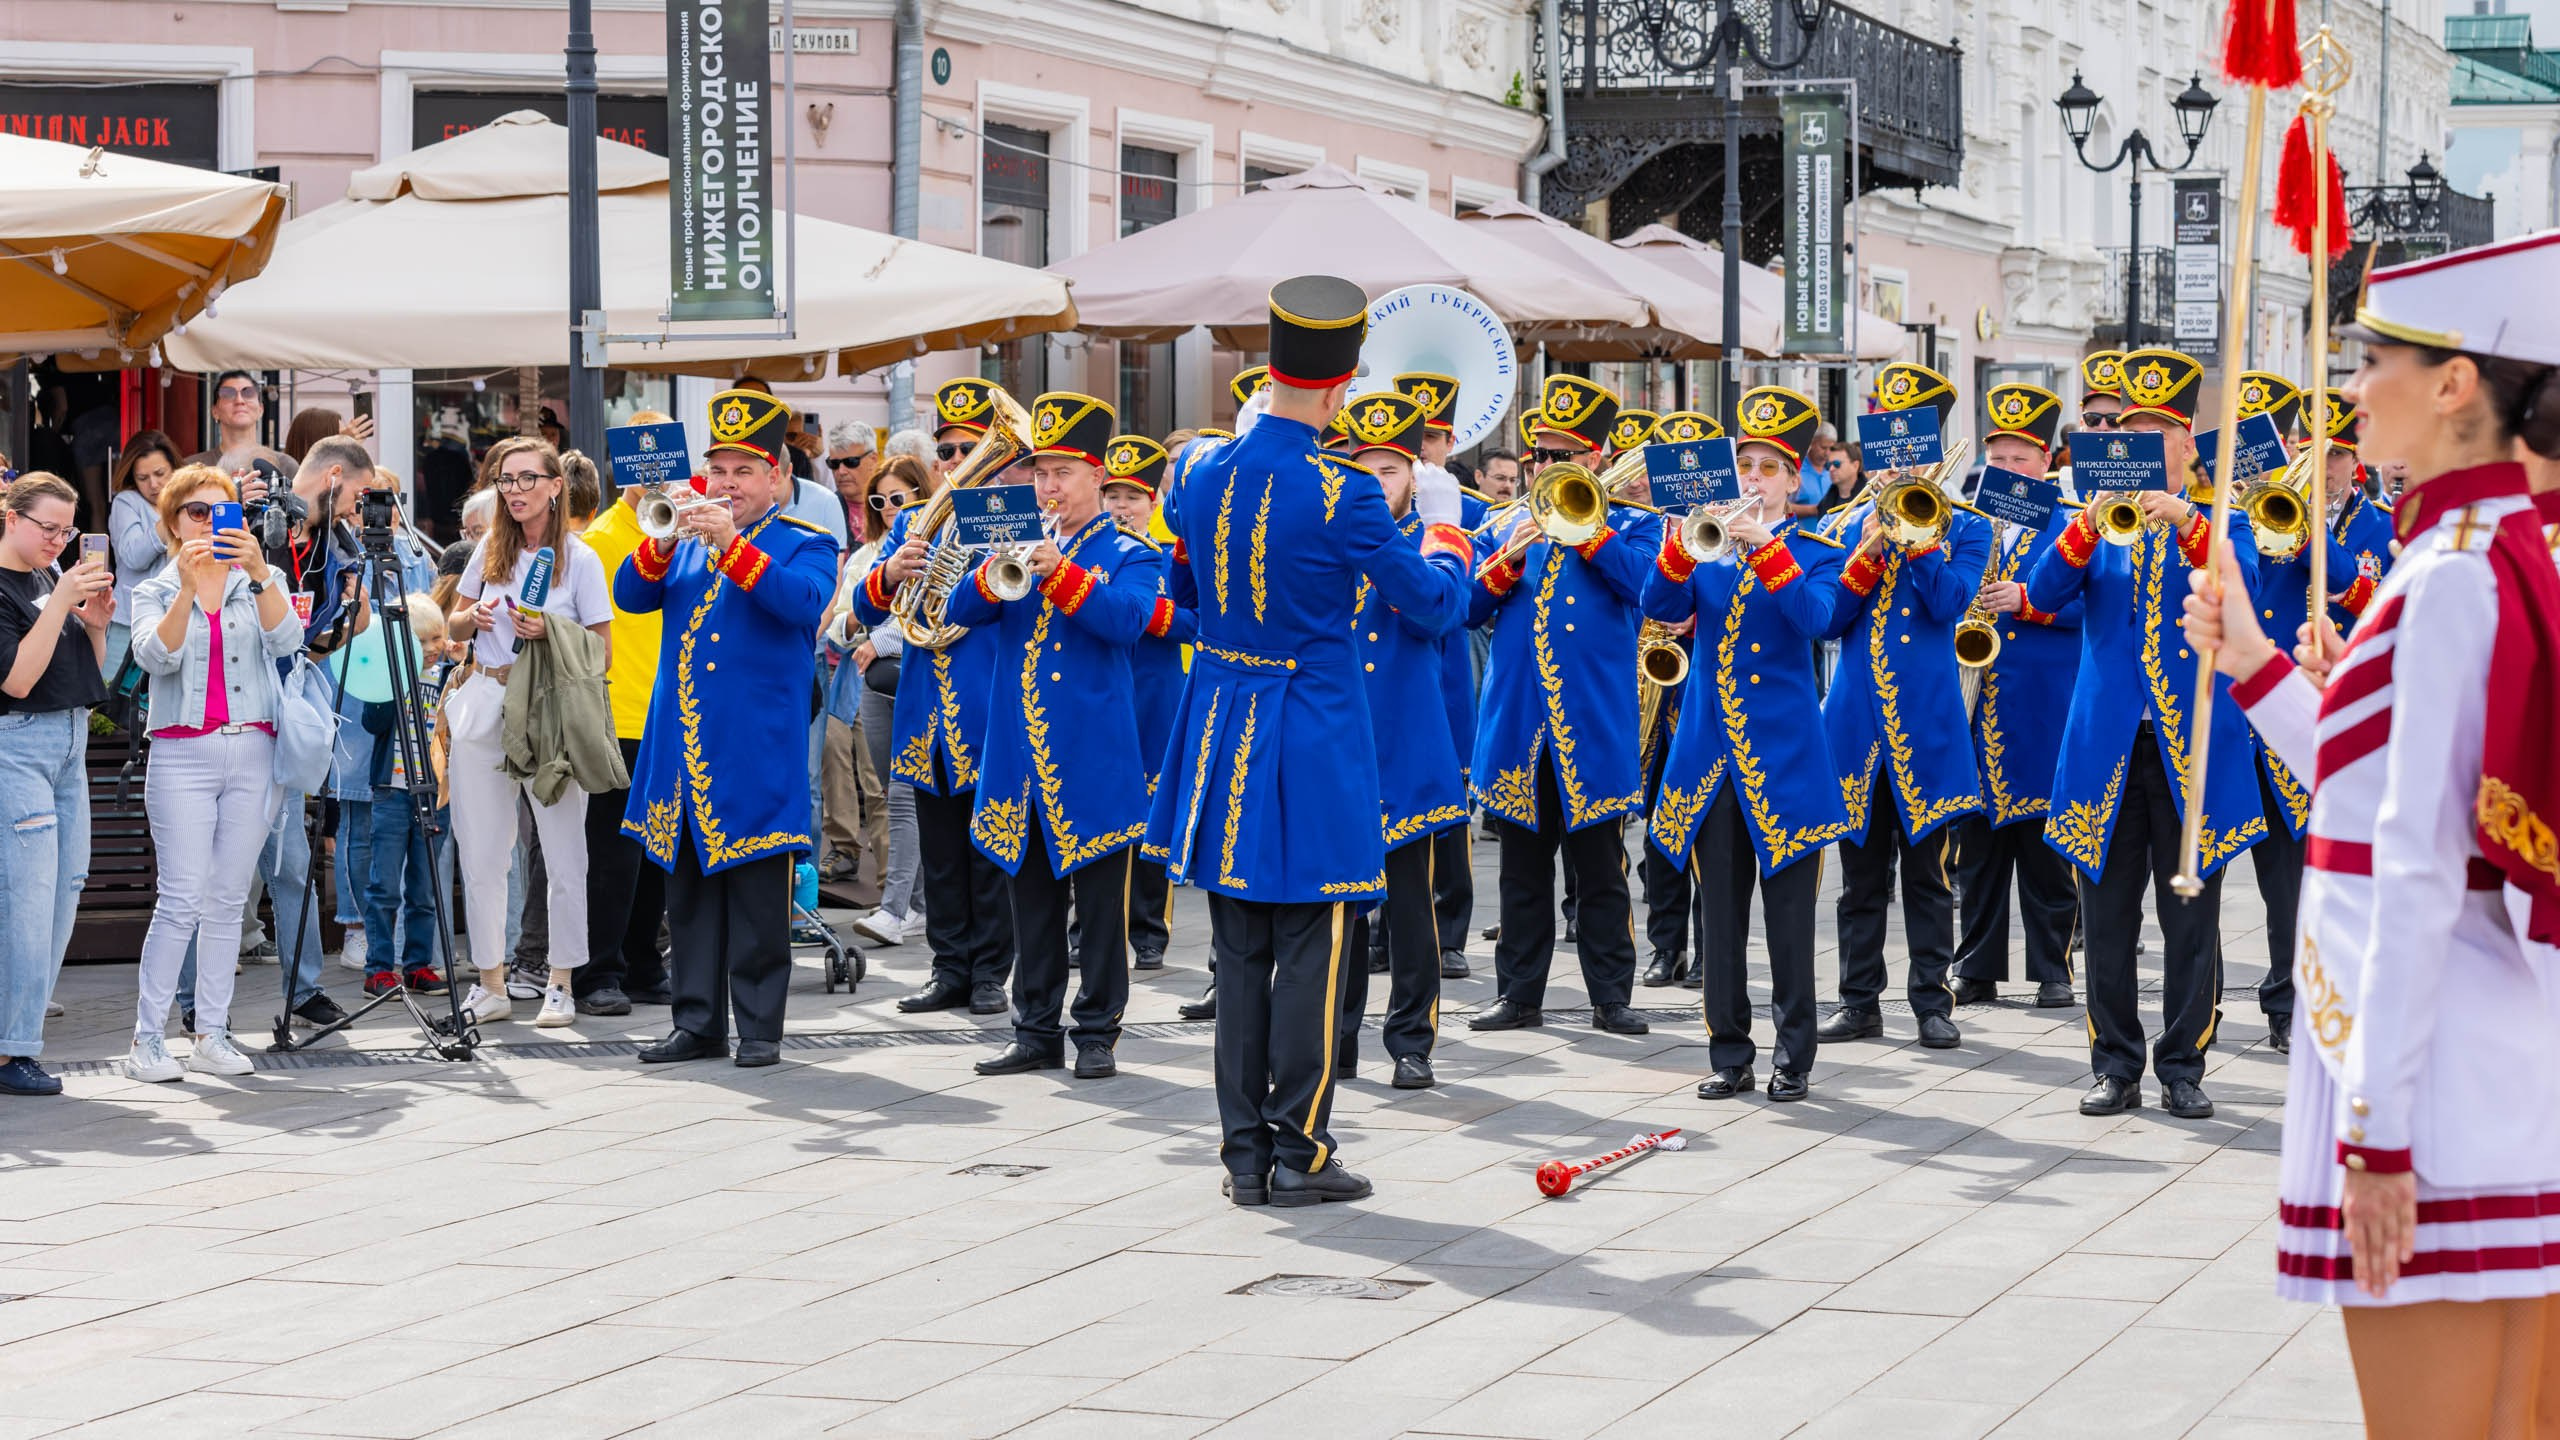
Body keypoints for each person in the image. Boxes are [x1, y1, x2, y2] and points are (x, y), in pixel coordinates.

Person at [2181, 241, 2560, 1431]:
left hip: (2429, 1071)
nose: (2350, 389)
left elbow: (2407, 867)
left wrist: (2376, 1132)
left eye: (2369, 359)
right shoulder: (2496, 551)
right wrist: (2250, 667)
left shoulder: (2450, 572)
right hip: (2494, 1054)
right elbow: (2378, 790)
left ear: (2453, 384)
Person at [1147, 275, 1473, 1206]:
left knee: (1239, 947)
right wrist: (1448, 540)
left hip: (1221, 726)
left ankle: (1242, 1153)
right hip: (1314, 731)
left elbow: (1197, 589)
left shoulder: (1203, 469)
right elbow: (1436, 608)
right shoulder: (1343, 491)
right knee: (1317, 945)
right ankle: (1302, 1150)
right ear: (1341, 387)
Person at [2028, 345, 2264, 1120]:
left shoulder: (2225, 519)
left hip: (2192, 746)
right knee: (2107, 915)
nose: (2135, 445)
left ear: (2187, 444)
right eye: (2122, 431)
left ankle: (2184, 1063)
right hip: (2106, 745)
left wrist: (2190, 523)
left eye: (2156, 433)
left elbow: (2247, 593)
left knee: (2190, 912)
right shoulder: (2091, 519)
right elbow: (2042, 593)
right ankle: (2115, 1063)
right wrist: (2089, 530)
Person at [927, 393, 1162, 1080]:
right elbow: (962, 611)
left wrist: (1059, 571)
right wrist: (992, 561)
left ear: (1097, 475)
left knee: (1098, 912)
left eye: (1064, 471)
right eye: (1040, 472)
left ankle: (1096, 1032)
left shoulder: (1129, 551)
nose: (1048, 485)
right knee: (1029, 904)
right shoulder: (1015, 542)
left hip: (1092, 757)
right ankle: (1033, 1028)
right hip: (1018, 759)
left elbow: (1126, 622)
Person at [1643, 390, 1849, 1102]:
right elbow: (1660, 610)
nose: (1755, 478)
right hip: (1708, 755)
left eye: (1770, 467)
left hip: (1786, 757)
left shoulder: (1819, 552)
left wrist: (1766, 552)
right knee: (1719, 920)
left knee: (1789, 920)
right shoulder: (1705, 545)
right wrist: (1677, 548)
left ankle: (1795, 1053)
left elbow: (1818, 620)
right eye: (1746, 464)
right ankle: (1728, 1053)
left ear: (1797, 480)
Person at [621, 389, 836, 1068]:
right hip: (681, 748)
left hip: (754, 747)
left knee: (756, 897)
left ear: (777, 476)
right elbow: (632, 595)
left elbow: (800, 603)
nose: (727, 484)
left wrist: (732, 544)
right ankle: (698, 1023)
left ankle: (761, 1028)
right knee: (686, 896)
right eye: (719, 471)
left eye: (744, 471)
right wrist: (658, 541)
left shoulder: (808, 542)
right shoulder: (681, 541)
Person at [1465, 374, 1661, 1040]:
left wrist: (1588, 532)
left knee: (1601, 870)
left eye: (1563, 456)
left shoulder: (1634, 524)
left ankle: (1611, 995)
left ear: (1596, 460)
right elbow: (1466, 608)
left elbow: (1648, 591)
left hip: (1594, 724)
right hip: (1520, 722)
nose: (1546, 467)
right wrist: (1506, 560)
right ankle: (1518, 993)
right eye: (1540, 456)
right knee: (1521, 871)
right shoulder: (1501, 525)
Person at [1815, 364, 1991, 1051]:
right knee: (1860, 877)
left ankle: (1931, 1001)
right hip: (1857, 721)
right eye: (1890, 446)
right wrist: (1870, 539)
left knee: (1928, 877)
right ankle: (1859, 1000)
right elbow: (1829, 620)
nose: (1902, 459)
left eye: (1914, 444)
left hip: (1929, 723)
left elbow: (1950, 604)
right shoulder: (1840, 523)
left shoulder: (1969, 527)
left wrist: (1919, 543)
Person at [123, 465, 307, 1081]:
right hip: (182, 752)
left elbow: (289, 643)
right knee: (179, 900)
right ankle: (147, 1040)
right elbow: (155, 656)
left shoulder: (263, 578)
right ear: (172, 523)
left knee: (228, 900)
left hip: (253, 748)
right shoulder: (153, 587)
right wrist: (184, 590)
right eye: (195, 513)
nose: (208, 523)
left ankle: (213, 1032)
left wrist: (257, 574)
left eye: (220, 511)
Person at [855, 388, 1016, 1017]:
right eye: (946, 448)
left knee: (989, 851)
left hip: (985, 704)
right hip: (926, 709)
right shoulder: (911, 523)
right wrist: (893, 571)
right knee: (941, 851)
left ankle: (988, 975)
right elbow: (869, 610)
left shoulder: (1008, 516)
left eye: (966, 446)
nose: (953, 457)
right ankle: (949, 968)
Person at [445, 437, 614, 1030]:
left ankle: (561, 981)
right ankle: (491, 982)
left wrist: (548, 634)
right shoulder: (488, 548)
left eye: (525, 479)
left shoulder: (582, 559)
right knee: (483, 848)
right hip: (487, 696)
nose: (514, 490)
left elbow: (603, 653)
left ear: (554, 485)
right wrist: (474, 619)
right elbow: (452, 626)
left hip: (548, 704)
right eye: (505, 480)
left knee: (564, 849)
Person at [1332, 393, 1470, 1089]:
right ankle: (1339, 1037)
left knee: (1411, 906)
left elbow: (1439, 612)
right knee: (1342, 907)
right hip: (1341, 742)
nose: (1377, 482)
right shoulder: (1331, 535)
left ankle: (1411, 1039)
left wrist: (1426, 534)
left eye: (1390, 470)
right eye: (1366, 468)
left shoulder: (1436, 540)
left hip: (1409, 740)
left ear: (1415, 477)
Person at [1949, 383, 2083, 1009]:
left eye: (2019, 459)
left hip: (2041, 700)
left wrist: (2030, 605)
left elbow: (2096, 603)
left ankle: (2053, 968)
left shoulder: (2072, 522)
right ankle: (1975, 966)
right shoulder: (1969, 525)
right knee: (1977, 847)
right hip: (1976, 701)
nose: (2006, 470)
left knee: (2044, 842)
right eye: (1998, 459)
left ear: (2047, 463)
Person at [0, 474, 113, 1096]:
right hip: (17, 744)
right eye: (47, 527)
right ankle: (13, 1049)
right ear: (10, 518)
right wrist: (63, 594)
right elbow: (16, 680)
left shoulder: (47, 578)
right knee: (27, 897)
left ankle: (17, 1035)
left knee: (64, 887)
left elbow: (81, 677)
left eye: (67, 530)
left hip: (68, 743)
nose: (57, 540)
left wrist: (93, 622)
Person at [577, 410, 677, 1016]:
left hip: (670, 713)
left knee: (656, 852)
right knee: (612, 855)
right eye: (645, 463)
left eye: (665, 460)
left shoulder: (685, 528)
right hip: (616, 712)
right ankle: (598, 972)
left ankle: (644, 961)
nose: (656, 474)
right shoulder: (599, 538)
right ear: (625, 470)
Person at [1100, 435, 1190, 972]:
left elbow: (1194, 620)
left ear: (1153, 501)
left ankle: (1150, 930)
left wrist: (1150, 615)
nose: (1121, 507)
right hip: (1103, 696)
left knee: (1155, 816)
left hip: (1156, 695)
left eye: (1132, 497)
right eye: (1112, 495)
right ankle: (1088, 927)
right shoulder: (1080, 553)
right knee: (1096, 812)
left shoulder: (1169, 556)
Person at [829, 454, 924, 939]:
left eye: (899, 498)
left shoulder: (930, 544)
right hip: (868, 687)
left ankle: (896, 904)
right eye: (879, 500)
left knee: (905, 796)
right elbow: (841, 629)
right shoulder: (867, 555)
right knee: (888, 792)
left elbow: (931, 619)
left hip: (916, 680)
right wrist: (862, 631)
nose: (888, 508)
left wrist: (877, 639)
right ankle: (918, 902)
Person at [358, 595, 456, 1001]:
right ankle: (378, 968)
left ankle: (417, 964)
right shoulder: (387, 677)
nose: (432, 648)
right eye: (422, 641)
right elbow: (372, 722)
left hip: (435, 792)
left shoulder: (448, 674)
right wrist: (397, 683)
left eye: (437, 637)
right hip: (393, 791)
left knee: (425, 883)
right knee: (384, 885)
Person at [106, 430, 183, 678]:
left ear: (174, 468)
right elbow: (133, 556)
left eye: (160, 474)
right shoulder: (126, 502)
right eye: (143, 478)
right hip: (128, 621)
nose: (154, 484)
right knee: (111, 703)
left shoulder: (192, 504)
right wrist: (170, 516)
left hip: (175, 618)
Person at [184, 372, 296, 475]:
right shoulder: (191, 468)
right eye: (228, 393)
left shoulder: (285, 465)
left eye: (248, 393)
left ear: (261, 410)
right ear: (215, 412)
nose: (239, 400)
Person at [826, 421, 879, 502]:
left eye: (850, 462)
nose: (841, 471)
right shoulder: (822, 510)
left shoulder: (895, 506)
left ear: (873, 459)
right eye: (834, 463)